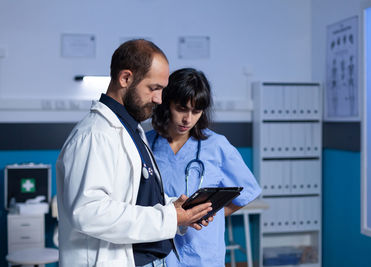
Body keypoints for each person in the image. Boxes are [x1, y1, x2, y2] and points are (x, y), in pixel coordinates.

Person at [56, 40, 213, 267]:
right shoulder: (95, 135)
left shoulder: (132, 130)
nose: (159, 99)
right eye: (154, 88)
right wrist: (170, 217)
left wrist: (178, 209)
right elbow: (88, 211)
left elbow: (135, 200)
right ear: (125, 79)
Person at [146, 68, 262, 267]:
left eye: (196, 111)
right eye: (181, 108)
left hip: (201, 253)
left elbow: (247, 191)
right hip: (157, 249)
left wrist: (207, 215)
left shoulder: (216, 146)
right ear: (167, 103)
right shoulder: (146, 143)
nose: (188, 119)